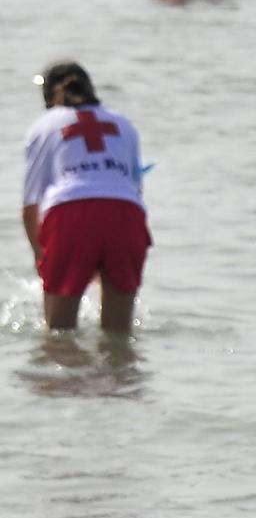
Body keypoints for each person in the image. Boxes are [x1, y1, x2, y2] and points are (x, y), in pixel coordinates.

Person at [21, 63, 150, 335]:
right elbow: (135, 189)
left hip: (70, 215)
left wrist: (39, 254)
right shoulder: (124, 124)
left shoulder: (44, 126)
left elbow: (31, 204)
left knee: (59, 335)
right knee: (119, 337)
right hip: (126, 215)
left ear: (48, 96)